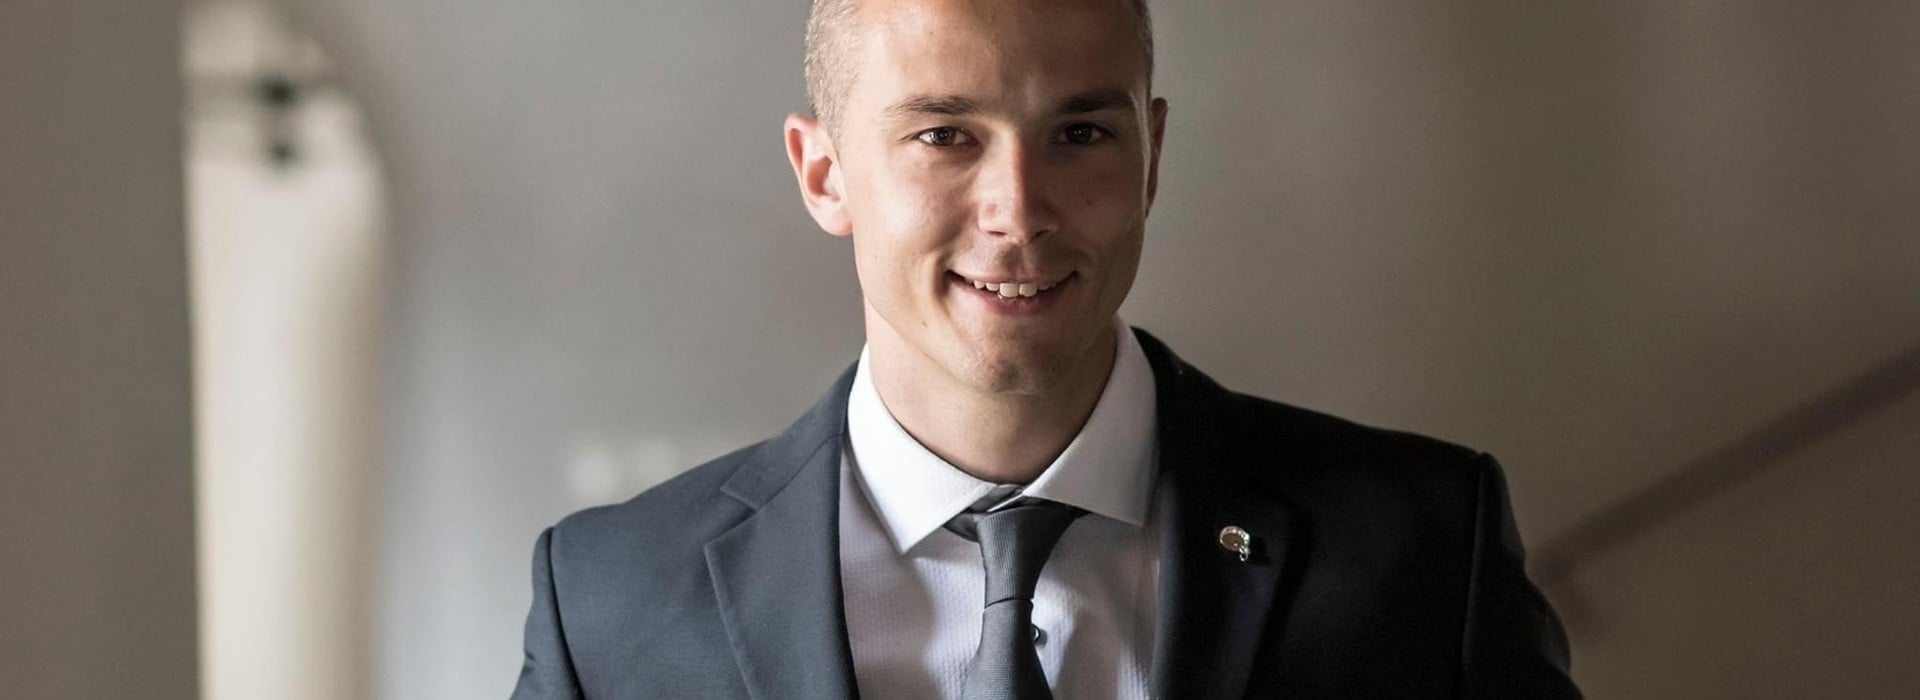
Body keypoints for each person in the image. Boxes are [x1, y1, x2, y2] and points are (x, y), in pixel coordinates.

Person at [510, 0, 1581, 697]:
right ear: (824, 172)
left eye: (1080, 133)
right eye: (945, 135)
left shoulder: (1425, 547)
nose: (1018, 211)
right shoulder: (611, 604)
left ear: (1152, 153)